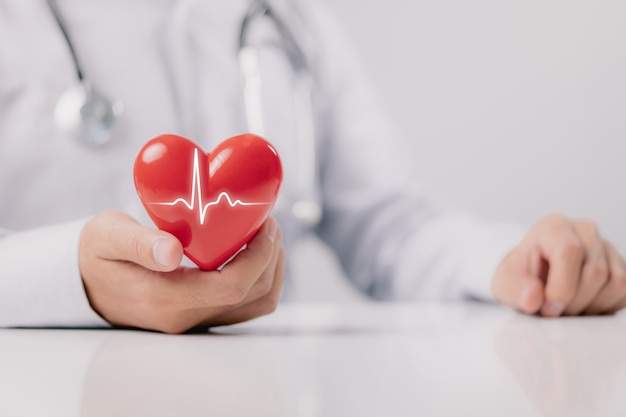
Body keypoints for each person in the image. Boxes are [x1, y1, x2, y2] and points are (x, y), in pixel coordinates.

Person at [0, 0, 624, 334]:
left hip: (258, 390)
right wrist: (74, 279)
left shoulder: (286, 18)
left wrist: (517, 263)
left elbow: (390, 227)